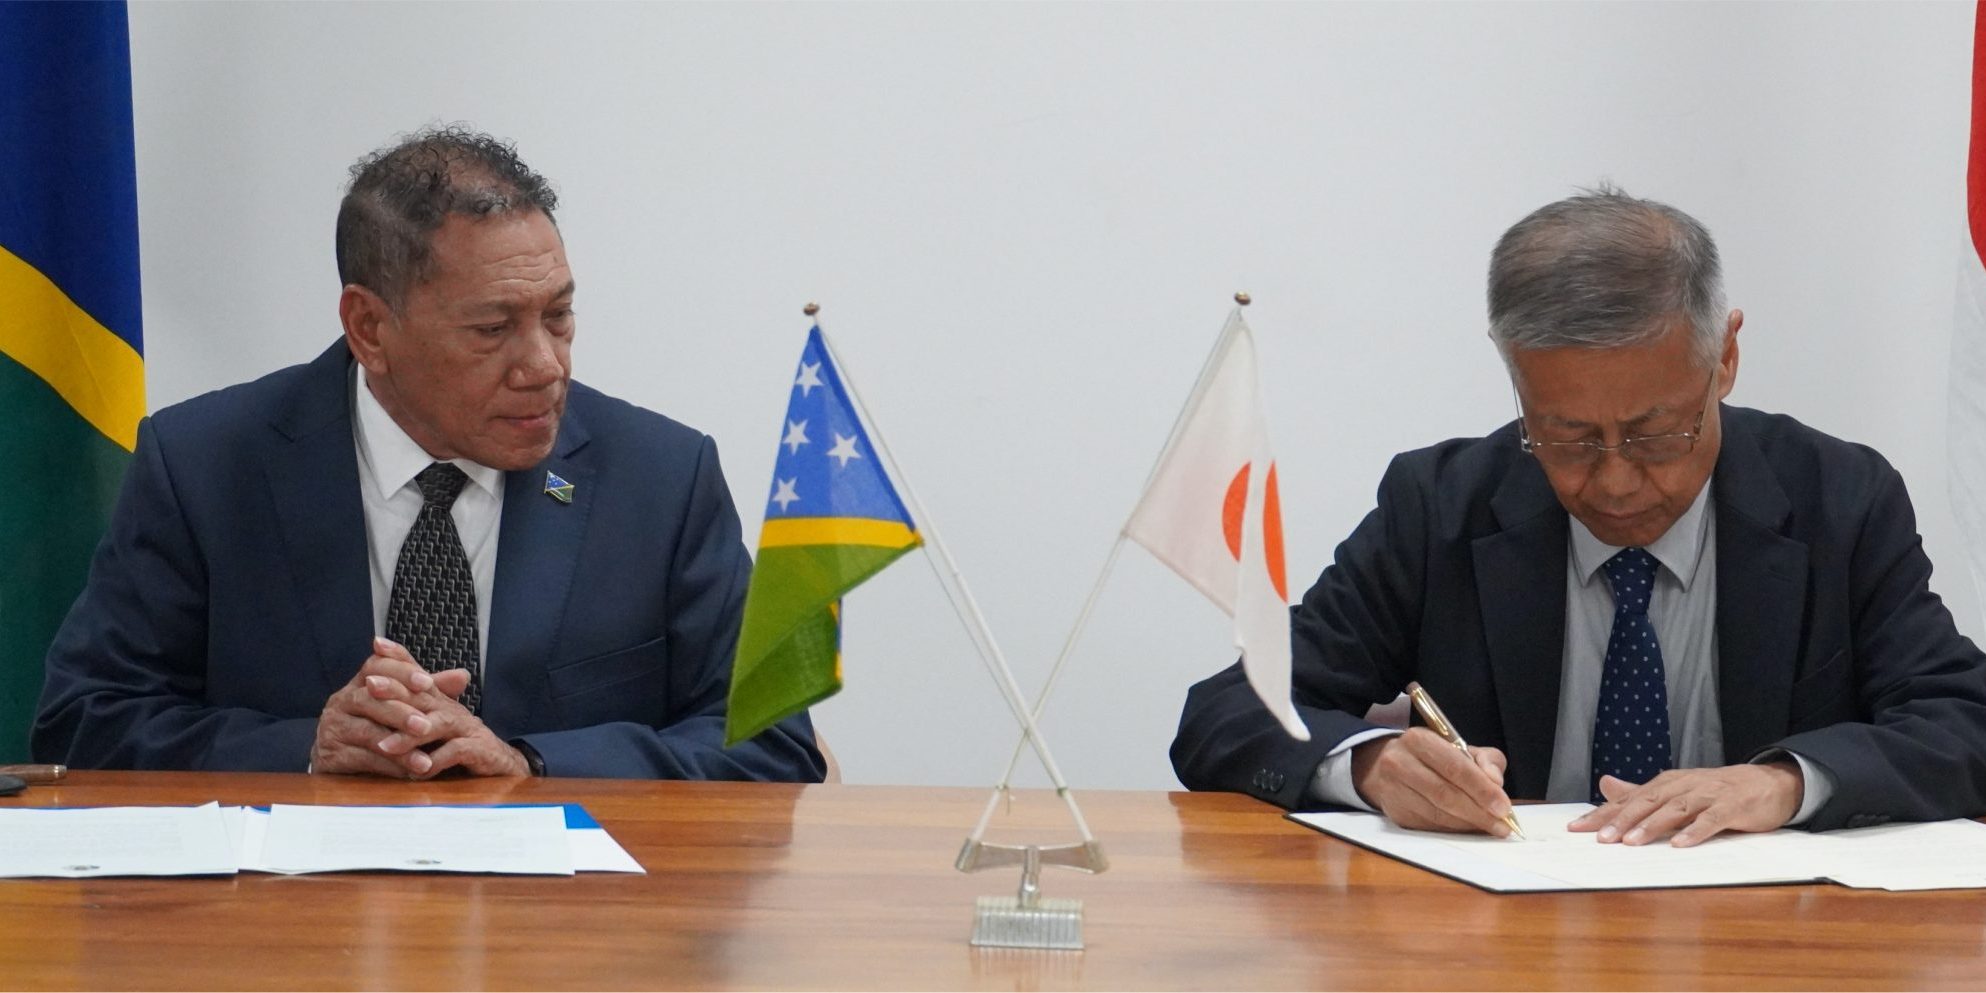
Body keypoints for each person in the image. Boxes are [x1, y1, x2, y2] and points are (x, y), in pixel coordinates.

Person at [1172, 186, 1986, 846]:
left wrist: (1784, 781)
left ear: (1725, 359)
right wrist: (1372, 765)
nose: (1617, 480)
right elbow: (1228, 710)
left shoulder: (1838, 501)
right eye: (1567, 437)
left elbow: (1965, 720)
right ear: (1517, 385)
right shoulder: (1440, 506)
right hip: (1503, 943)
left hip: (1766, 944)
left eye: (1656, 433)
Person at [33, 126, 824, 782]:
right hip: (294, 911)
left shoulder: (661, 479)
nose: (545, 365)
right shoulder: (204, 465)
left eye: (558, 315)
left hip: (566, 916)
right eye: (493, 328)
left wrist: (529, 761)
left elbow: (772, 741)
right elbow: (84, 720)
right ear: (369, 328)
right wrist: (306, 748)